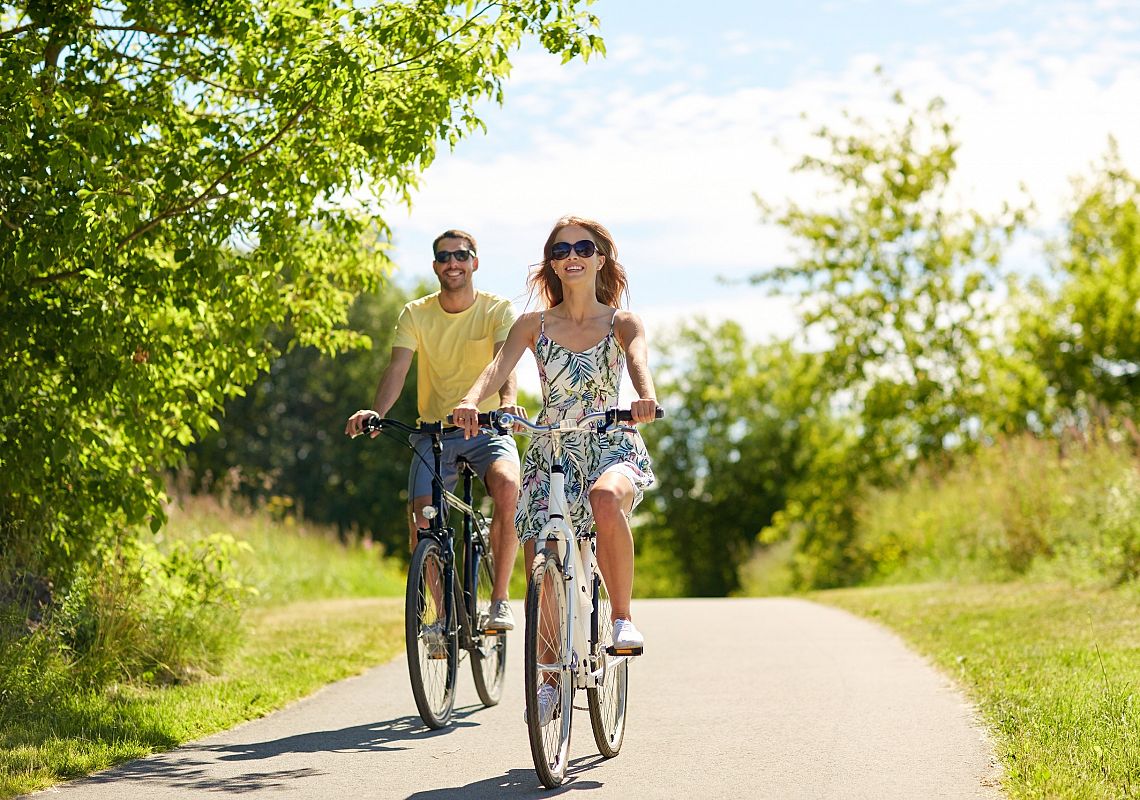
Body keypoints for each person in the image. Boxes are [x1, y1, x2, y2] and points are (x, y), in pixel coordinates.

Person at [452, 215, 658, 655]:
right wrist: (471, 401)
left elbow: (638, 360)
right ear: (553, 263)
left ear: (600, 259)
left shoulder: (622, 321)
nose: (572, 257)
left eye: (583, 249)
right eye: (561, 251)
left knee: (605, 499)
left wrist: (645, 397)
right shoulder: (533, 324)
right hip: (552, 446)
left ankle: (621, 620)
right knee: (542, 555)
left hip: (609, 437)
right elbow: (496, 368)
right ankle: (546, 678)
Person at [345, 229, 523, 631]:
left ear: (474, 262)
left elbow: (503, 365)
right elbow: (397, 369)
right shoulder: (416, 313)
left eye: (461, 255)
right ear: (435, 266)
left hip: (487, 428)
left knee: (509, 488)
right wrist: (376, 412)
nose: (452, 263)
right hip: (434, 434)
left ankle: (499, 601)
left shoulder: (497, 309)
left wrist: (507, 405)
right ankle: (443, 620)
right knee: (422, 521)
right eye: (444, 257)